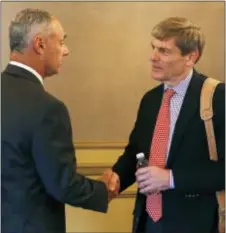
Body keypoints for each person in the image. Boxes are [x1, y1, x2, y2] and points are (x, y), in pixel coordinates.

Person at [1, 8, 119, 233]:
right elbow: (62, 184)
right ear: (40, 44)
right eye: (62, 41)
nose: (66, 51)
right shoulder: (48, 109)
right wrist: (103, 190)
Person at [105, 17, 225, 233]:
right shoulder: (150, 100)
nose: (153, 58)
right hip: (148, 222)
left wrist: (171, 178)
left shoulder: (218, 98)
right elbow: (136, 154)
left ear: (191, 57)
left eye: (164, 51)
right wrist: (115, 178)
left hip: (197, 224)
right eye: (153, 48)